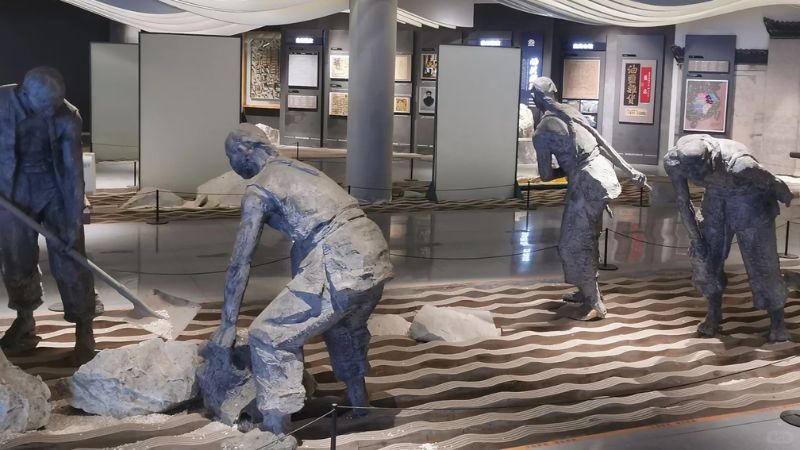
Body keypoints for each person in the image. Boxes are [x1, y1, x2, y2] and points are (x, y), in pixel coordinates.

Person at [210, 124, 393, 435]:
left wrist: (227, 324)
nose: (231, 165)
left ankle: (276, 430)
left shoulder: (259, 188)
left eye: (230, 157)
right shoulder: (300, 169)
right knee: (341, 326)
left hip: (340, 258)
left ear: (245, 151)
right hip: (372, 250)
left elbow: (241, 261)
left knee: (268, 335)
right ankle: (358, 402)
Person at [0, 67, 98, 363]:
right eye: (44, 106)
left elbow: (72, 171)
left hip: (54, 188)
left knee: (70, 257)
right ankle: (25, 319)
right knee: (16, 259)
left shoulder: (67, 116)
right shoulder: (2, 104)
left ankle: (84, 327)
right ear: (24, 94)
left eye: (54, 106)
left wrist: (72, 220)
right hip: (12, 190)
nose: (49, 113)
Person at [531, 77, 648, 320]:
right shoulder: (572, 112)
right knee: (588, 239)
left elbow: (545, 176)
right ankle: (585, 292)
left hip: (585, 184)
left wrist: (568, 169)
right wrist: (629, 170)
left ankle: (594, 303)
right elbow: (602, 143)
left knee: (572, 244)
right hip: (602, 175)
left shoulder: (542, 131)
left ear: (535, 99)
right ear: (555, 92)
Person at [664, 134, 791, 342]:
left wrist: (782, 195)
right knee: (705, 261)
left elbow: (775, 185)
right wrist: (697, 241)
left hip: (750, 201)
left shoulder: (741, 165)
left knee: (763, 264)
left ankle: (777, 320)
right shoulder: (675, 161)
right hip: (715, 200)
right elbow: (683, 202)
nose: (695, 176)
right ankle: (714, 312)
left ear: (709, 161)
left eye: (699, 172)